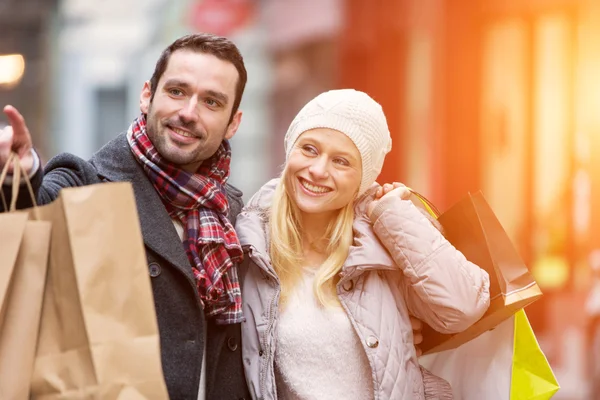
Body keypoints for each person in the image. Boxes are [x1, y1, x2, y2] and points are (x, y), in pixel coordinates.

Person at [0, 33, 250, 400]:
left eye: (211, 101)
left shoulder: (231, 213)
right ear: (147, 96)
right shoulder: (85, 183)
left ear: (232, 123)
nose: (189, 112)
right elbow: (34, 214)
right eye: (177, 91)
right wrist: (17, 176)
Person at [235, 89, 491, 399]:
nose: (318, 170)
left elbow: (464, 307)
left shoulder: (381, 244)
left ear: (363, 178)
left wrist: (392, 214)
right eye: (310, 149)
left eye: (341, 161)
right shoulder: (251, 242)